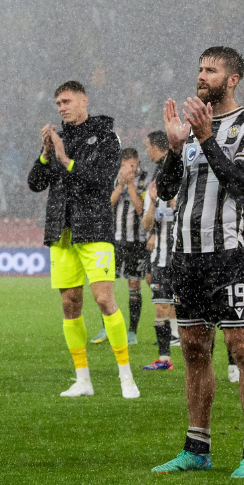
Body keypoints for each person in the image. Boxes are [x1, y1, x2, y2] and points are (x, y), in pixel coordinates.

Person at [152, 46, 244, 478]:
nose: (202, 75)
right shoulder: (189, 127)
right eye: (200, 68)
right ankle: (197, 448)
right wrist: (173, 148)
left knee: (242, 348)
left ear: (232, 78)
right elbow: (167, 190)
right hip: (187, 256)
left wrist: (203, 139)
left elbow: (241, 185)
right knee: (196, 350)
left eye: (212, 70)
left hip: (229, 255)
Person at [28, 80, 138, 399]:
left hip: (94, 228)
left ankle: (126, 375)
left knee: (104, 299)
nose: (62, 107)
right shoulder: (57, 139)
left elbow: (103, 182)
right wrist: (47, 155)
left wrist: (65, 160)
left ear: (83, 101)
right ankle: (83, 379)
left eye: (67, 101)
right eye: (58, 103)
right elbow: (35, 183)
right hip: (62, 232)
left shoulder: (105, 136)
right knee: (69, 304)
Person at [99, 148, 148, 345]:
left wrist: (130, 186)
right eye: (123, 165)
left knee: (134, 286)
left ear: (137, 164)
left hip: (136, 242)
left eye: (131, 165)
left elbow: (141, 209)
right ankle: (105, 328)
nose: (127, 169)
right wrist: (120, 185)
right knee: (104, 286)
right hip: (113, 241)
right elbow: (106, 206)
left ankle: (132, 332)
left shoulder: (145, 180)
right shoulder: (113, 178)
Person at [141, 131, 180, 371]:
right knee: (160, 306)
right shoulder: (153, 187)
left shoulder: (180, 185)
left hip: (181, 257)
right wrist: (154, 202)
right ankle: (164, 358)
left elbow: (188, 217)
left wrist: (175, 201)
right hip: (159, 259)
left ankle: (192, 351)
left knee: (182, 305)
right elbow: (146, 225)